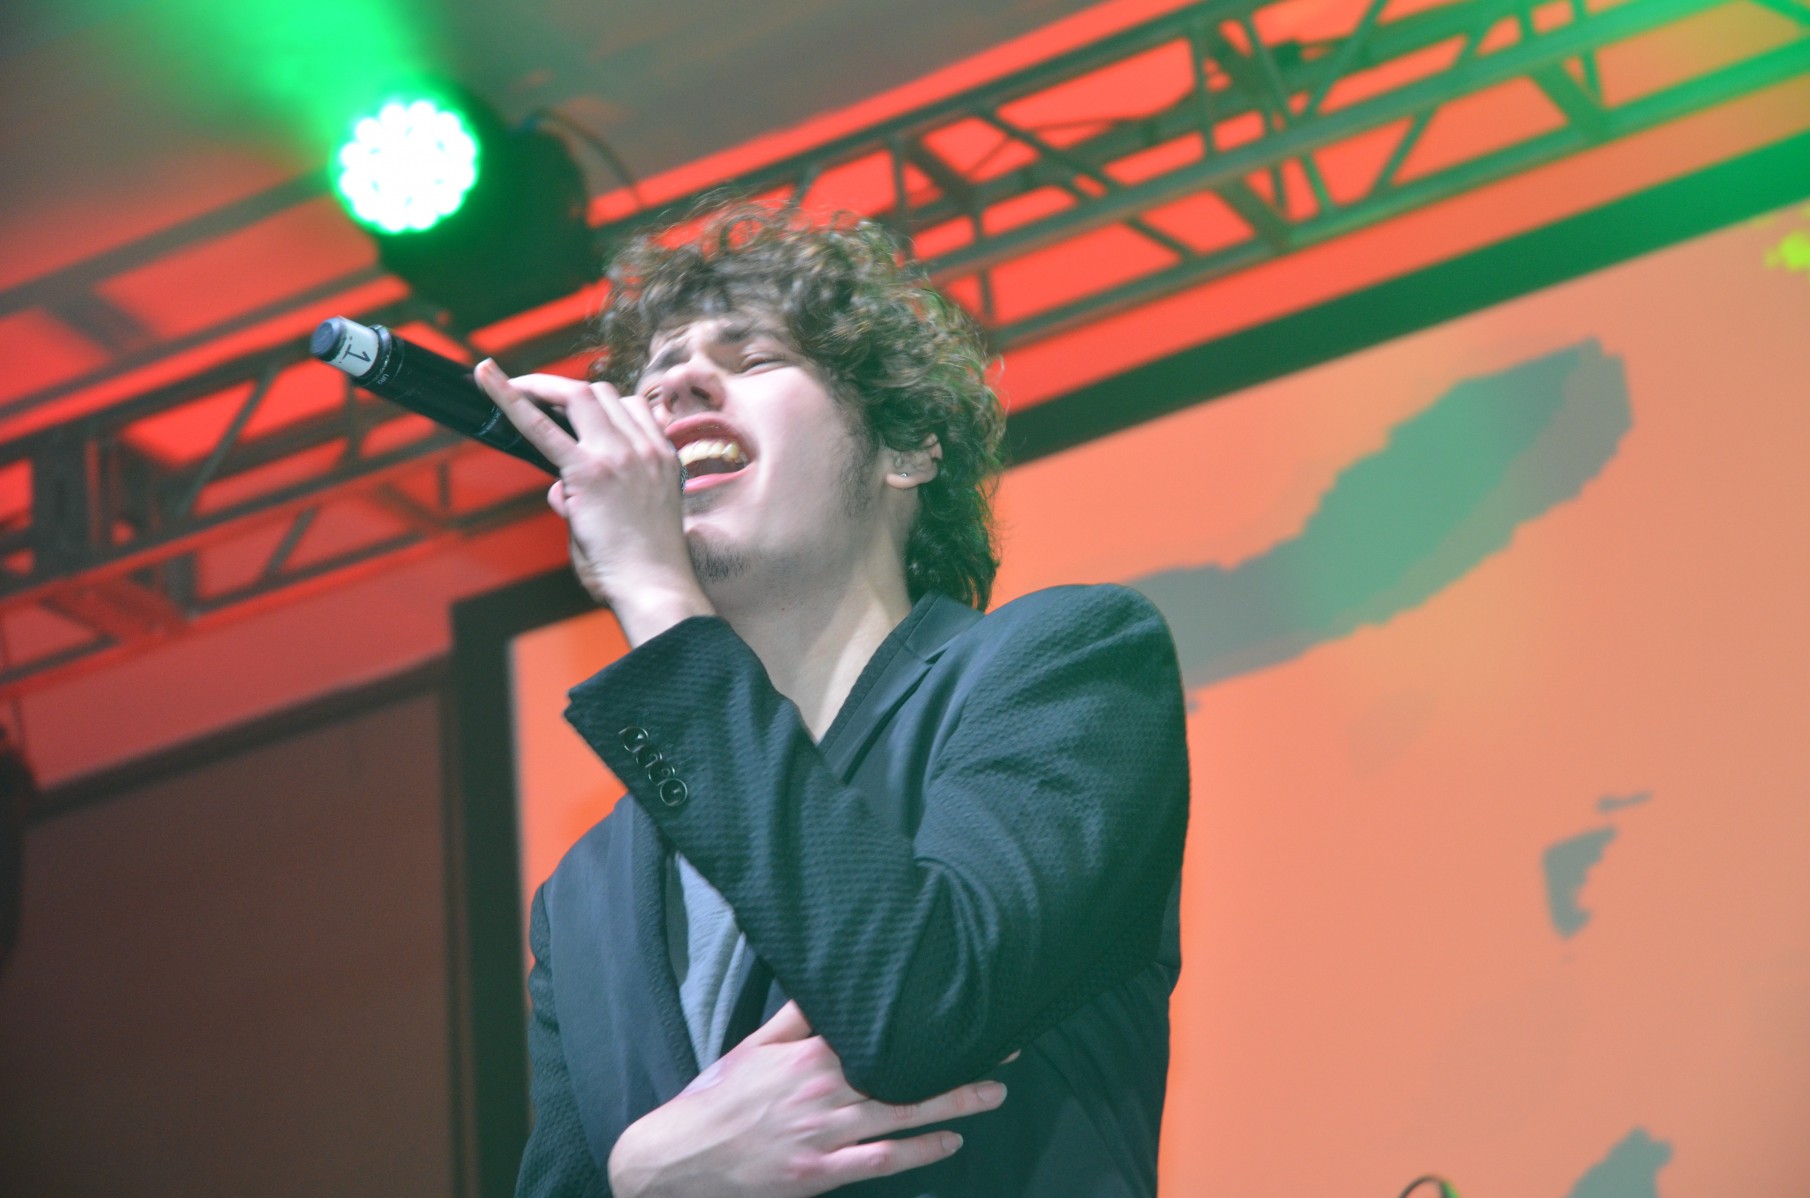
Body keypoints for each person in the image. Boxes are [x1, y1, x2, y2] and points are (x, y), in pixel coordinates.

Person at [480, 204, 1189, 1197]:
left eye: (755, 356)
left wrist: (654, 594)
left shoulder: (1062, 664)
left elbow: (923, 1007)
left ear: (904, 449)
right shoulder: (587, 894)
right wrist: (645, 1178)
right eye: (655, 375)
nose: (674, 383)